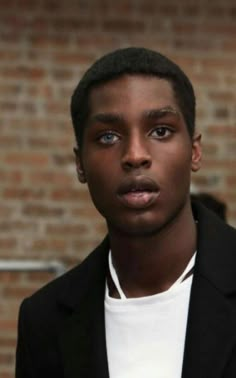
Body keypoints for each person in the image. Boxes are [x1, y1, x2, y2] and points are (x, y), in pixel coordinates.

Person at [15, 47, 236, 378]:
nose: (134, 155)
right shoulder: (44, 320)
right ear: (80, 164)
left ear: (194, 151)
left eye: (160, 131)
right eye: (108, 136)